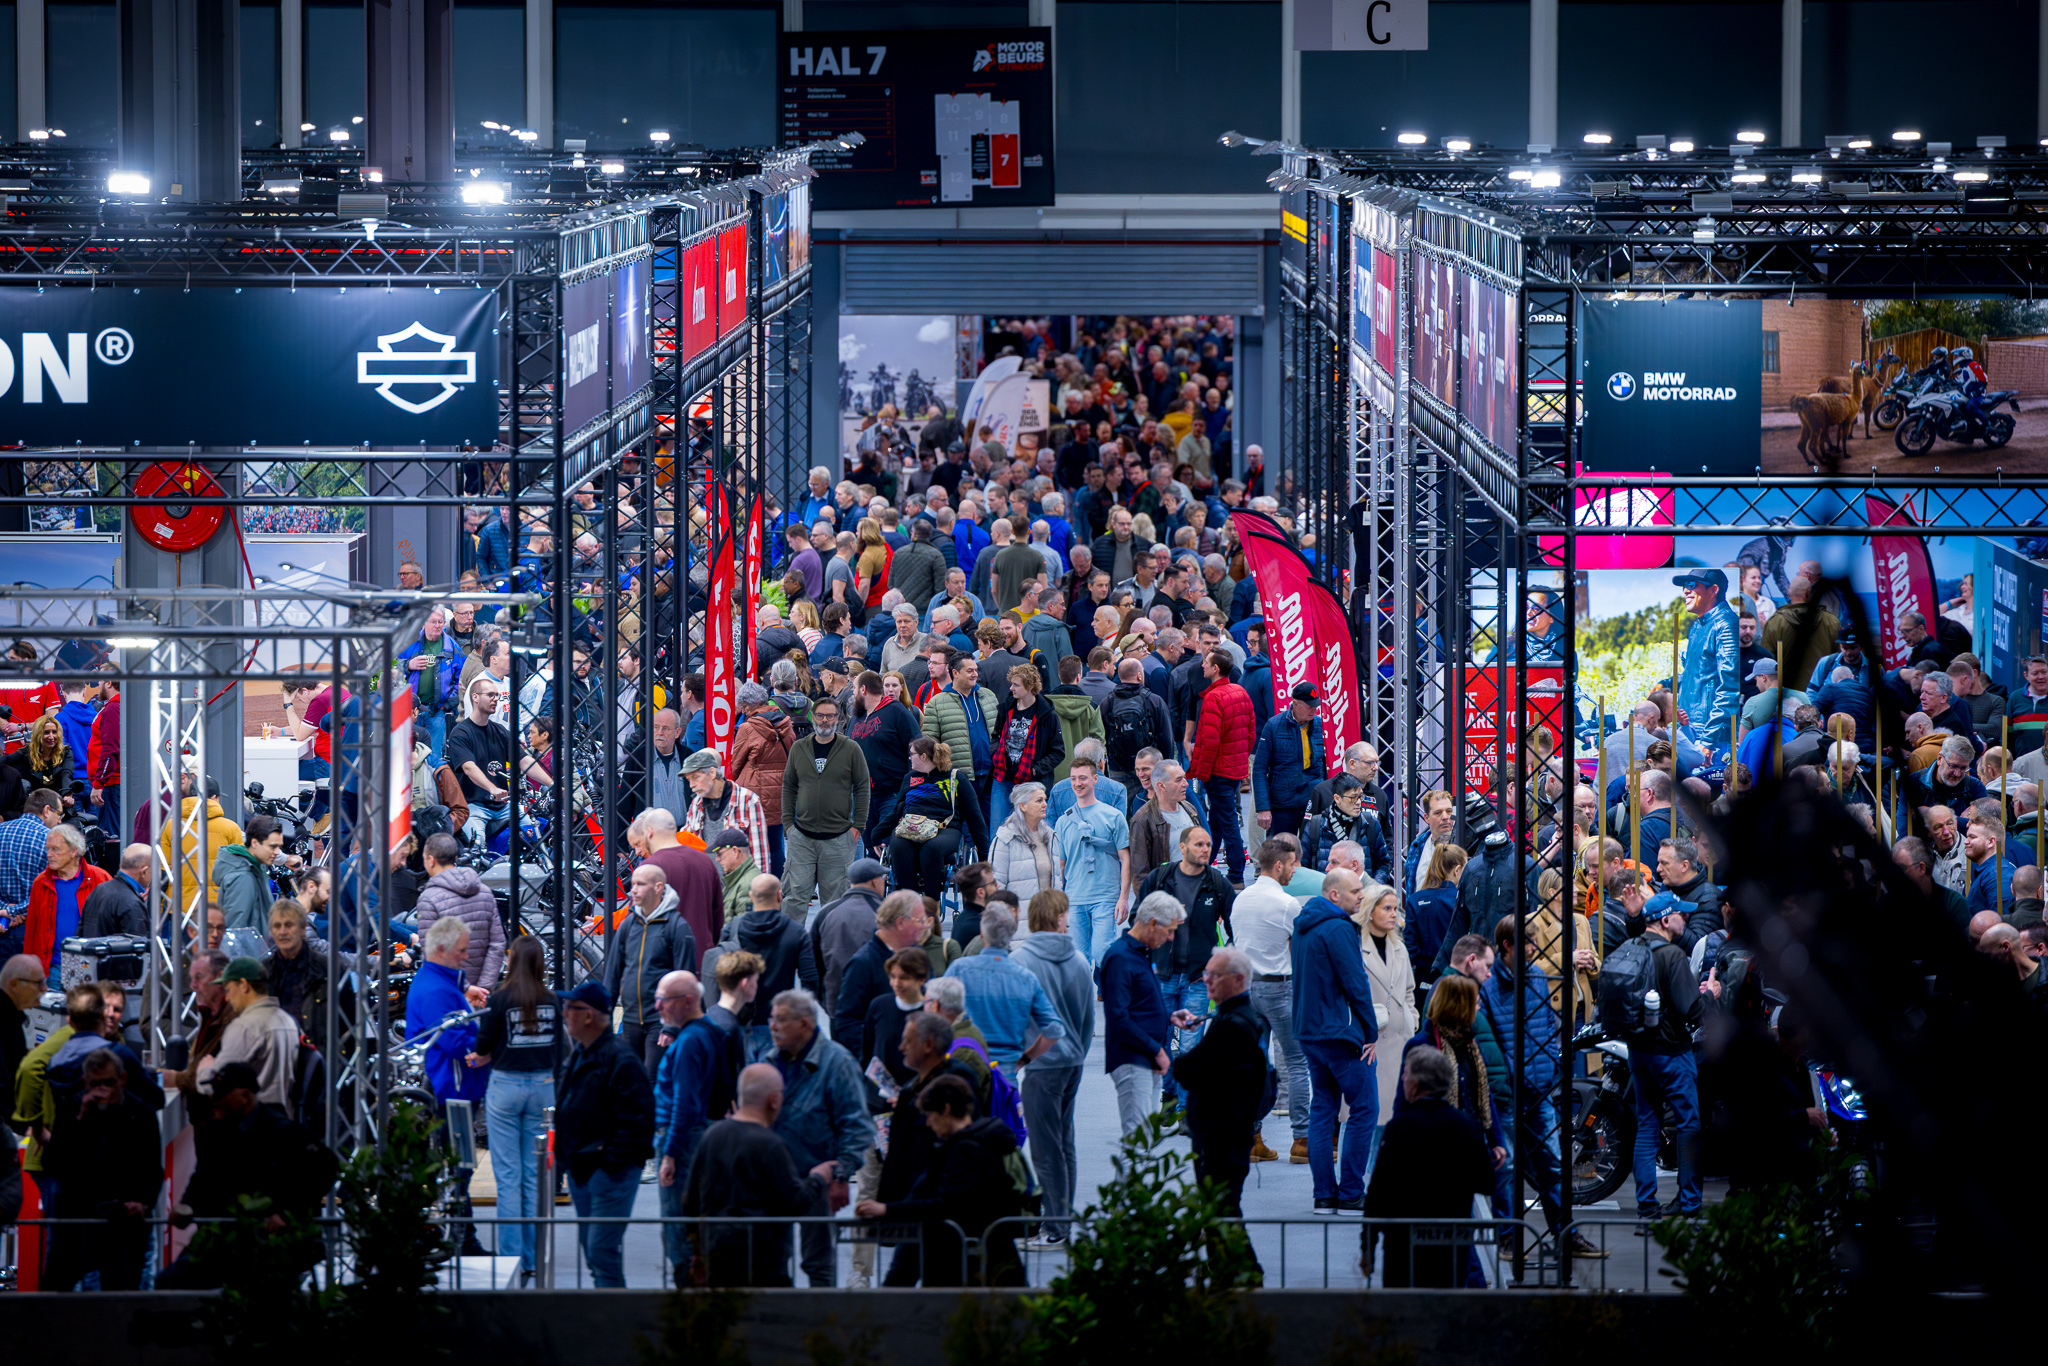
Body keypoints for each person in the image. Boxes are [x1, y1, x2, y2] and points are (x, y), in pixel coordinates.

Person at [855, 1072, 1024, 1287]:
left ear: (946, 1109)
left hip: (968, 1265)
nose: (928, 1123)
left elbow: (945, 1204)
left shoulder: (966, 1149)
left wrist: (887, 1210)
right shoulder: (976, 1140)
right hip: (978, 1259)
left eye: (930, 1115)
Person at [682, 1063, 838, 1287]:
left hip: (716, 1253)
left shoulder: (712, 1135)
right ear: (774, 1100)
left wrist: (697, 1249)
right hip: (762, 1261)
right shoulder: (769, 1145)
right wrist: (818, 1178)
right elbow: (795, 1202)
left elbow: (690, 1199)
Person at [1361, 1046, 1498, 1288]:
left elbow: (1378, 1193)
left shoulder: (1399, 1128)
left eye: (1405, 1073)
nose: (1402, 1078)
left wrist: (1368, 1246)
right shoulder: (1467, 1126)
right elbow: (1487, 1183)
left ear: (1414, 1084)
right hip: (1451, 1244)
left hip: (1404, 1247)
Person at [469, 936, 561, 1283]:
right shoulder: (551, 1000)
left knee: (507, 1177)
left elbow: (483, 1045)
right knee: (534, 1175)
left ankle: (512, 1260)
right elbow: (559, 1050)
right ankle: (535, 1257)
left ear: (512, 961)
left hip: (505, 1087)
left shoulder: (500, 999)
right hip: (542, 1087)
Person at [764, 988, 870, 1286]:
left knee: (818, 1264)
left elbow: (857, 1125)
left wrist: (841, 1174)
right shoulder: (770, 1060)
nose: (772, 1026)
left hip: (819, 1178)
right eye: (772, 1019)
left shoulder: (838, 1062)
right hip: (776, 1179)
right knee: (771, 1260)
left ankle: (819, 1326)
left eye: (781, 1020)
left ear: (805, 1023)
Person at [1291, 867, 1379, 1215]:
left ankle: (1324, 1196)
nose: (1361, 895)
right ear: (1334, 895)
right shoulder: (1339, 929)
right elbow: (1356, 983)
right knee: (1364, 1109)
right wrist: (1370, 1031)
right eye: (1356, 891)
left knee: (1323, 1110)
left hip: (1310, 1031)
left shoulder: (1304, 926)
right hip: (1341, 1035)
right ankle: (1352, 1192)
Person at [42, 1046, 165, 1292]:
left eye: (109, 1082)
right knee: (53, 1289)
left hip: (124, 1219)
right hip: (79, 1219)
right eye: (95, 1083)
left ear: (122, 1079)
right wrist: (81, 1122)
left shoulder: (141, 1113)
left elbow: (152, 1168)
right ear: (85, 1082)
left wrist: (142, 1202)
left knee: (120, 1295)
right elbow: (53, 1163)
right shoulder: (71, 1108)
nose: (103, 1089)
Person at [1009, 889, 1094, 1245]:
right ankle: (1063, 1219)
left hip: (1041, 1065)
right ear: (1059, 918)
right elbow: (1089, 1020)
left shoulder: (1020, 960)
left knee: (1045, 1150)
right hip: (1072, 1061)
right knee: (1065, 1144)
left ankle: (1055, 1228)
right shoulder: (1078, 960)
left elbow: (1017, 1017)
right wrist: (1077, 1051)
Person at [1136, 825, 1237, 1108]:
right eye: (1199, 845)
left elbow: (1235, 925)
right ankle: (1170, 1096)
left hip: (1197, 979)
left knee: (1192, 1048)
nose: (1205, 849)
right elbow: (1137, 919)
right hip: (1162, 977)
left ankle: (1185, 1109)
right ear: (1182, 847)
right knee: (1161, 1042)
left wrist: (1224, 957)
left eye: (1208, 844)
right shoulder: (1160, 879)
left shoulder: (1217, 883)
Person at [1167, 946, 1269, 1225]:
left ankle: (1244, 1270)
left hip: (1222, 1140)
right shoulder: (1243, 1018)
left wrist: (1171, 1060)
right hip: (1229, 1135)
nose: (1207, 980)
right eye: (1206, 973)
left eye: (1215, 975)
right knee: (1223, 1216)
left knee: (1222, 1219)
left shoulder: (1230, 1027)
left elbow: (1186, 1070)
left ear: (1237, 979)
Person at [652, 970, 734, 1282]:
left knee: (678, 1225)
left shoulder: (689, 1042)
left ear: (688, 1001)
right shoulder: (708, 1031)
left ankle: (687, 1289)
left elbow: (684, 1104)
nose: (658, 1007)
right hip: (695, 1139)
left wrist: (670, 1154)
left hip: (682, 1144)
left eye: (664, 1000)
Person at [1629, 893, 1706, 1219]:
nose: (1685, 920)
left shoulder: (1631, 948)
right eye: (1680, 915)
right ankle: (1690, 1207)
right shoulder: (1673, 956)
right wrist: (1711, 996)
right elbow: (1693, 1009)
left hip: (1638, 1051)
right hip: (1671, 1052)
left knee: (1647, 1123)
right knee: (1689, 1125)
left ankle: (1647, 1209)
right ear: (1664, 920)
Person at [940, 906, 1065, 1074]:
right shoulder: (1026, 978)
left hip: (965, 1069)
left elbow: (934, 1008)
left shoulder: (960, 969)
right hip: (1006, 1074)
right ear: (1012, 933)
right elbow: (1054, 1029)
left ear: (982, 935)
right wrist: (1025, 1058)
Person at [780, 694, 870, 922]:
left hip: (839, 838)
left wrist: (857, 827)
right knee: (794, 898)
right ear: (813, 718)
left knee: (836, 903)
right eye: (820, 716)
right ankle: (791, 950)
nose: (825, 721)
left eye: (830, 716)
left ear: (838, 719)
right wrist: (789, 825)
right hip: (802, 837)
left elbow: (862, 787)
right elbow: (788, 786)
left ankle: (832, 953)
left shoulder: (851, 748)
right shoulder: (799, 748)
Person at [604, 862, 701, 1073]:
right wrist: (605, 1018)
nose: (634, 890)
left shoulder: (677, 926)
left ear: (658, 887)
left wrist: (672, 1026)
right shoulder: (628, 924)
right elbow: (612, 974)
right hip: (630, 1020)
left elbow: (686, 982)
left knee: (651, 1079)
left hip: (660, 1022)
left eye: (640, 884)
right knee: (630, 1079)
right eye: (633, 884)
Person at [1099, 891, 1181, 1137]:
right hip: (1132, 1059)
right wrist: (1156, 1050)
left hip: (1145, 1057)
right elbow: (1118, 1018)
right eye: (1169, 931)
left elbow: (1139, 1005)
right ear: (1153, 923)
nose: (1171, 938)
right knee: (1137, 1139)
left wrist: (1169, 1018)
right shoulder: (1121, 958)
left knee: (1145, 1139)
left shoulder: (1138, 954)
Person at [1354, 878, 1417, 1178]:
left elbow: (1408, 991)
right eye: (1387, 908)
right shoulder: (1356, 948)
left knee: (1391, 1117)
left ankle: (1378, 1181)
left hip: (1400, 1039)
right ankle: (1360, 1181)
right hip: (1370, 1041)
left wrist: (1411, 1018)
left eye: (1395, 909)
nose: (1394, 914)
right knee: (1367, 1117)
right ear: (1370, 911)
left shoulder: (1399, 947)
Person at [877, 738, 988, 901]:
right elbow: (896, 811)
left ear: (923, 756)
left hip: (945, 828)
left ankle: (931, 903)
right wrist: (876, 835)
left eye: (911, 754)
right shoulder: (910, 778)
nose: (909, 758)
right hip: (912, 826)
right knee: (899, 845)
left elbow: (975, 818)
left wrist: (984, 853)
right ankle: (909, 902)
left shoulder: (956, 778)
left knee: (931, 848)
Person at [1052, 757, 1132, 965]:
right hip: (1075, 897)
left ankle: (1108, 989)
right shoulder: (1063, 821)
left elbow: (1125, 858)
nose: (1077, 783)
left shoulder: (1113, 816)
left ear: (1095, 779)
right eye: (1073, 779)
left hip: (1104, 896)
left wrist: (1123, 898)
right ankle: (1086, 994)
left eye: (1083, 778)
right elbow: (1061, 864)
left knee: (1102, 952)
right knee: (1078, 958)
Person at [831, 889, 931, 1051]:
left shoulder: (919, 955)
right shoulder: (863, 964)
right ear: (900, 923)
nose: (924, 926)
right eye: (920, 920)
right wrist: (876, 1054)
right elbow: (847, 1022)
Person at [1189, 649, 1257, 881]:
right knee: (1218, 821)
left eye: (1206, 662)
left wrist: (1202, 774)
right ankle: (1206, 866)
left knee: (1227, 822)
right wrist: (1239, 759)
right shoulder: (1241, 692)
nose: (1202, 666)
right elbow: (1250, 733)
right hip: (1234, 769)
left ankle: (1236, 874)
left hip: (1219, 771)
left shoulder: (1214, 698)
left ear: (1215, 668)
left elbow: (1209, 742)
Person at [202, 957, 303, 1110]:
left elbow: (215, 1087)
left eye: (228, 989)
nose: (227, 998)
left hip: (252, 1127)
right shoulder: (289, 1022)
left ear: (243, 985)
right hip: (285, 1124)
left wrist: (204, 1069)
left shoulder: (245, 1027)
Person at [412, 830, 505, 990]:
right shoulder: (484, 891)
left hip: (448, 990)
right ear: (455, 857)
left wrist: (466, 989)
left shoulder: (429, 898)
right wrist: (484, 987)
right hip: (483, 993)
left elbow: (432, 955)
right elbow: (498, 944)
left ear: (431, 860)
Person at [24, 822, 112, 982]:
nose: (49, 854)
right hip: (53, 969)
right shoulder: (41, 882)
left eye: (55, 849)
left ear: (74, 851)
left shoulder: (100, 878)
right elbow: (32, 928)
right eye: (48, 849)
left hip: (93, 965)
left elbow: (114, 925)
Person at [636, 807, 727, 953]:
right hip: (701, 952)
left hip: (666, 957)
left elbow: (636, 915)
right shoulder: (705, 861)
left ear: (650, 833)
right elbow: (718, 913)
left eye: (638, 843)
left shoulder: (652, 867)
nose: (637, 851)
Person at [729, 683, 797, 878]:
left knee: (753, 844)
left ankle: (757, 887)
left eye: (745, 706)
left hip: (754, 793)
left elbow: (736, 763)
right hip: (781, 791)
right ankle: (777, 887)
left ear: (754, 704)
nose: (744, 711)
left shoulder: (747, 728)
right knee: (775, 844)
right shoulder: (786, 723)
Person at [988, 664, 1065, 830]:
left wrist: (1035, 769)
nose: (1011, 688)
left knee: (1034, 832)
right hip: (1003, 777)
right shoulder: (1006, 708)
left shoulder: (1047, 714)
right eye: (1011, 684)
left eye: (1016, 684)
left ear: (1030, 686)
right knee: (998, 831)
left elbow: (1058, 752)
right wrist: (996, 754)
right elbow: (995, 736)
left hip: (1032, 782)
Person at [810, 859, 887, 1017]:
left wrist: (824, 1000)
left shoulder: (826, 912)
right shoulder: (885, 912)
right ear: (874, 881)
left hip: (836, 1001)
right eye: (883, 879)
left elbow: (813, 961)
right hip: (877, 1006)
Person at [682, 749, 772, 877]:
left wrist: (760, 890)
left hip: (739, 888)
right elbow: (687, 847)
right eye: (689, 780)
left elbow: (760, 854)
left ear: (712, 773)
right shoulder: (696, 804)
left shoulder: (748, 800)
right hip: (707, 885)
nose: (691, 785)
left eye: (695, 777)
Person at [1255, 683, 1327, 837]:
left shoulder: (1321, 725)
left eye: (1316, 706)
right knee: (1281, 852)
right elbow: (1259, 769)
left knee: (1312, 852)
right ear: (1295, 703)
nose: (1314, 710)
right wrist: (1263, 807)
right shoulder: (1273, 726)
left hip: (1312, 801)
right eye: (1309, 706)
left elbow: (1326, 765)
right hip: (1282, 804)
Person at [989, 780, 1059, 902]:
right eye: (1039, 800)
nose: (1045, 804)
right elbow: (996, 886)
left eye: (1045, 800)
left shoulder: (1051, 836)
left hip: (1049, 917)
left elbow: (1057, 882)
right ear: (1022, 806)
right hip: (1018, 918)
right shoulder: (1005, 839)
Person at [77, 844, 149, 939]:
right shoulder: (132, 903)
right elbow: (138, 948)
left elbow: (80, 933)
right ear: (144, 872)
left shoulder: (99, 890)